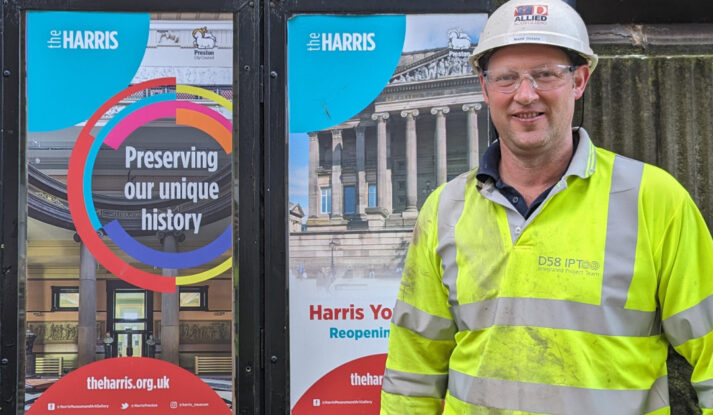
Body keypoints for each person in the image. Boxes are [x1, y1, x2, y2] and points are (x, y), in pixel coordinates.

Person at [380, 0, 713, 414]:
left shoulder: (654, 199)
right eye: (506, 78)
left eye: (545, 75)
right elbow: (413, 371)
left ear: (579, 81)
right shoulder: (444, 210)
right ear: (484, 88)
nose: (525, 94)